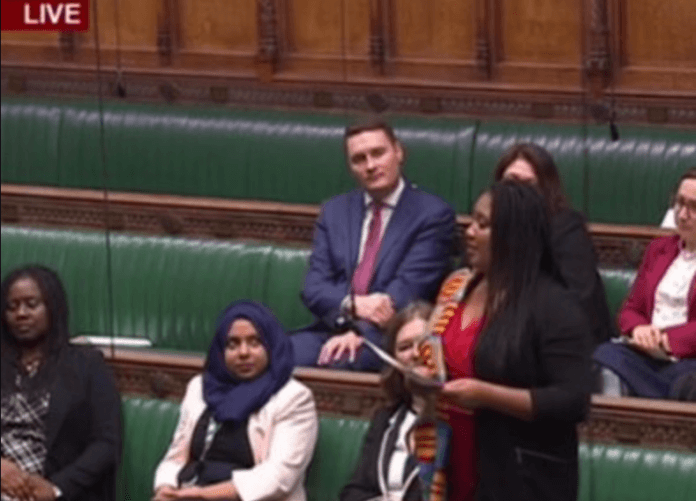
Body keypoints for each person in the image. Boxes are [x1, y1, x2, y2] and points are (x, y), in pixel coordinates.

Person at [430, 182, 592, 501]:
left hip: (518, 475)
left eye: (483, 224)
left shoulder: (553, 305)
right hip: (452, 456)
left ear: (513, 236)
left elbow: (573, 400)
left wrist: (487, 395)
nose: (470, 232)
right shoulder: (461, 287)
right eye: (472, 220)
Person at [291, 120, 456, 371]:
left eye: (378, 153)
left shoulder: (432, 215)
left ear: (398, 152)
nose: (370, 166)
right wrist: (353, 306)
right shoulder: (334, 211)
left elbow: (408, 290)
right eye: (359, 159)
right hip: (331, 326)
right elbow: (314, 288)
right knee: (268, 355)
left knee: (342, 360)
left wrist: (359, 332)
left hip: (390, 336)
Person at [152, 301, 318, 501]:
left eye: (255, 343)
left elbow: (279, 478)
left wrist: (204, 495)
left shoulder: (294, 398)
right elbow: (176, 457)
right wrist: (165, 489)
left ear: (271, 346)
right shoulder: (200, 387)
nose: (243, 353)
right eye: (233, 344)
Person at [1, 265, 121, 501]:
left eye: (31, 304)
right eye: (11, 307)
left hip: (50, 489)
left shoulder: (86, 364)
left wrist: (56, 488)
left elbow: (106, 443)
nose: (21, 314)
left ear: (52, 308)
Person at [494, 143, 614, 347]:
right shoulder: (491, 227)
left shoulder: (566, 229)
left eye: (528, 185)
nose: (516, 192)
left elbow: (579, 302)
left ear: (545, 191)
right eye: (510, 182)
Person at [593, 168, 696, 400]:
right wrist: (639, 329)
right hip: (645, 356)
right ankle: (617, 428)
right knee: (604, 356)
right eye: (680, 204)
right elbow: (630, 309)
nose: (683, 214)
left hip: (689, 360)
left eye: (694, 207)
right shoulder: (659, 249)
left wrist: (665, 339)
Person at [340, 301, 445, 501]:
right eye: (404, 347)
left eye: (424, 343)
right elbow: (354, 492)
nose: (415, 354)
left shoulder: (462, 421)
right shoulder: (386, 419)